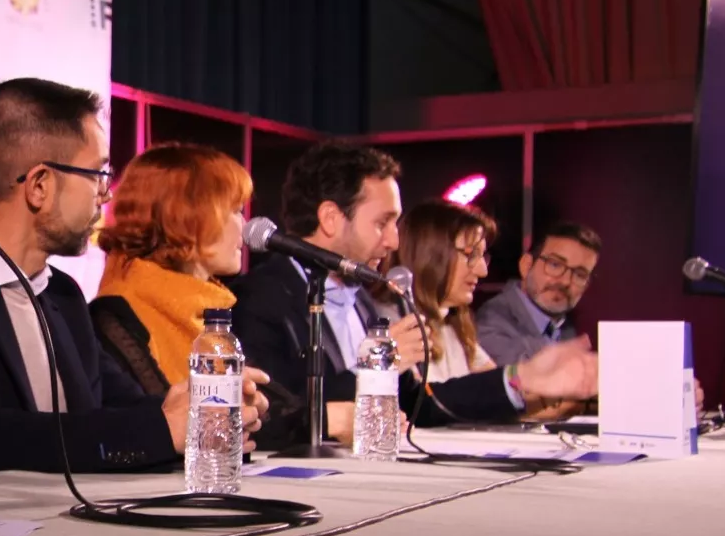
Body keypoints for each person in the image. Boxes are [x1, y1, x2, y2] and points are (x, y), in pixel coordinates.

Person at [0, 79, 266, 482]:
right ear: (40, 185)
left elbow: (124, 409)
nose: (107, 195)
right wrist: (160, 430)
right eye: (98, 173)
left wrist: (208, 410)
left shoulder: (62, 295)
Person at [228, 142, 598, 449]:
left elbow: (423, 404)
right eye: (381, 222)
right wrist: (376, 368)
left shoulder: (362, 301)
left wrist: (520, 380)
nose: (393, 241)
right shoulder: (259, 299)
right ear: (330, 218)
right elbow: (273, 415)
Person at [90, 143, 254, 392]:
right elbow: (158, 417)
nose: (244, 224)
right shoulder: (118, 314)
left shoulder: (209, 312)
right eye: (234, 211)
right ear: (186, 217)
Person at [393, 198, 501, 383]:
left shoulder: (453, 326)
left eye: (482, 256)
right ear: (429, 255)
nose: (483, 270)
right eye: (470, 255)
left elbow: (497, 389)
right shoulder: (395, 327)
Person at [476, 221, 600, 366]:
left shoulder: (567, 329)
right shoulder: (490, 323)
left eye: (580, 274)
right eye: (555, 264)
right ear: (526, 265)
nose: (566, 281)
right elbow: (523, 382)